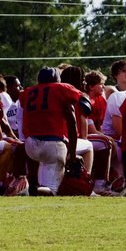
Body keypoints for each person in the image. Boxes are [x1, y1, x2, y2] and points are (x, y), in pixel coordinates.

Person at [20, 66, 82, 196]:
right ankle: (38, 189)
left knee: (39, 157)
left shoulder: (29, 92)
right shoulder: (61, 90)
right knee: (51, 190)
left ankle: (32, 184)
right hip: (52, 145)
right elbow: (72, 123)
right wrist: (73, 154)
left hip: (30, 145)